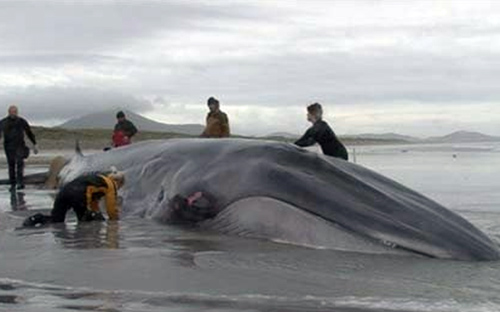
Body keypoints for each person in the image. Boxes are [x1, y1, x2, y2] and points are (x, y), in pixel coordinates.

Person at [22, 170, 125, 227]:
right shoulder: (110, 185)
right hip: (78, 195)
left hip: (64, 192)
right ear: (119, 182)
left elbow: (94, 204)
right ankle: (79, 246)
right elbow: (111, 207)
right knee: (85, 223)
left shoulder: (96, 179)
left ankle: (36, 219)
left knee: (56, 221)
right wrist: (114, 222)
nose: (119, 189)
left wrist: (96, 213)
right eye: (121, 186)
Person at [0, 105, 38, 191]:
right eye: (12, 112)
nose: (13, 113)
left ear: (17, 112)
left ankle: (20, 183)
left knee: (20, 164)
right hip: (8, 147)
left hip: (20, 146)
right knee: (11, 165)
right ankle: (13, 184)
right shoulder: (3, 122)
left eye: (15, 112)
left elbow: (29, 132)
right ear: (8, 112)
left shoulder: (22, 121)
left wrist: (34, 144)